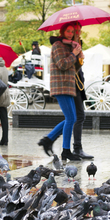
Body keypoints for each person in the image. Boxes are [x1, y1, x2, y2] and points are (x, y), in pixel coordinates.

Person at [37, 22, 83, 161]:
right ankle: (65, 151)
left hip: (68, 85)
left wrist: (79, 56)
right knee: (71, 118)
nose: (71, 33)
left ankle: (49, 140)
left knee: (72, 118)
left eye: (72, 31)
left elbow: (73, 68)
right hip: (60, 85)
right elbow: (62, 64)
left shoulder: (70, 46)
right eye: (68, 31)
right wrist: (73, 54)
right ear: (63, 32)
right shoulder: (57, 45)